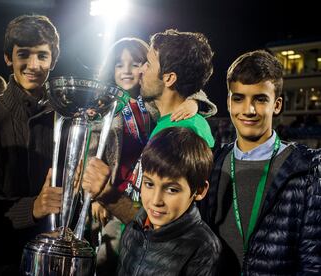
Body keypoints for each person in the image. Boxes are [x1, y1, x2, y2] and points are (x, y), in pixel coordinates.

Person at [89, 36, 217, 274]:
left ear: (168, 78)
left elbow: (162, 219)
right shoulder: (166, 121)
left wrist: (106, 195)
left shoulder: (183, 132)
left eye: (147, 63)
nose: (140, 71)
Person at [0, 14, 63, 274]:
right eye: (23, 54)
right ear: (8, 57)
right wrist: (32, 208)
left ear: (53, 59)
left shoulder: (67, 116)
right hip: (0, 259)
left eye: (42, 55)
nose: (33, 65)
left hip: (54, 257)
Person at [200, 50, 321, 274]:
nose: (249, 110)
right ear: (228, 102)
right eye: (239, 98)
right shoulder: (213, 162)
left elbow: (313, 262)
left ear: (277, 105)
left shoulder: (307, 171)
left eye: (260, 99)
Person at [118, 127, 221, 275]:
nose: (155, 200)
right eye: (149, 184)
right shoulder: (135, 227)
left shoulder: (202, 246)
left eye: (172, 190)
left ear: (199, 191)